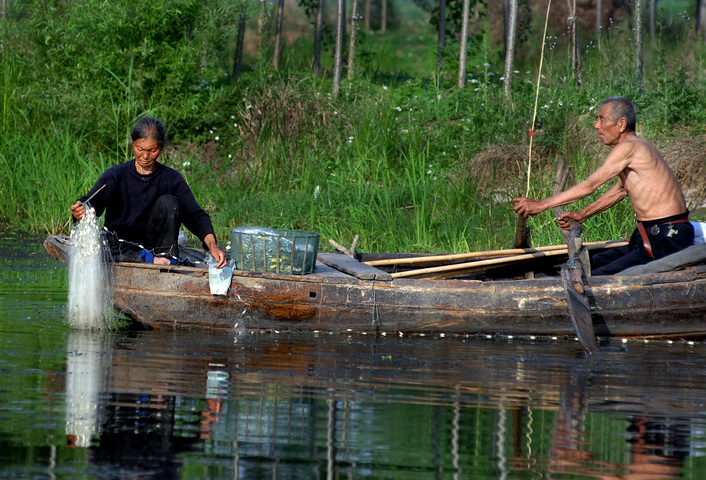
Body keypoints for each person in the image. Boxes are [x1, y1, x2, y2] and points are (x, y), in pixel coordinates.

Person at [512, 97, 694, 275]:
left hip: (667, 237)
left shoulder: (629, 147)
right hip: (651, 235)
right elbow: (620, 191)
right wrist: (583, 214)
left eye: (601, 119)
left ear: (621, 124)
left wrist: (541, 205)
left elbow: (589, 185)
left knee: (596, 276)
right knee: (587, 265)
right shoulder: (638, 147)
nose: (596, 125)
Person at [70, 117, 227, 268]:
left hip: (158, 250)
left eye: (152, 150)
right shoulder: (115, 175)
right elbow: (90, 205)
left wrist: (212, 246)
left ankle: (164, 259)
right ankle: (146, 258)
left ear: (161, 148)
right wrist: (80, 211)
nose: (145, 156)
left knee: (169, 202)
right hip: (121, 247)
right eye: (140, 149)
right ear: (133, 142)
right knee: (100, 242)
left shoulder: (172, 179)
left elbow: (195, 216)